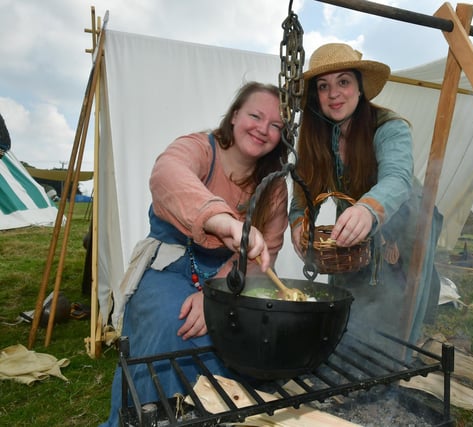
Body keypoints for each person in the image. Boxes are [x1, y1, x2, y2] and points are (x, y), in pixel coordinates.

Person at [100, 81, 289, 426]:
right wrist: (219, 220)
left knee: (246, 334)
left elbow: (268, 249)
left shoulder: (274, 185)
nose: (263, 129)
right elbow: (167, 175)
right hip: (171, 266)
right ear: (234, 116)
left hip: (228, 281)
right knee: (177, 325)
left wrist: (214, 295)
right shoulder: (201, 148)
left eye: (276, 125)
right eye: (255, 116)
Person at [289, 43, 442, 346]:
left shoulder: (389, 127)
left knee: (397, 298)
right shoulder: (316, 138)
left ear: (359, 88)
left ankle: (392, 364)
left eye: (343, 81)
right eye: (323, 86)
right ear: (315, 96)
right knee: (348, 291)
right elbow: (302, 199)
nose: (334, 94)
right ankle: (346, 350)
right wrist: (298, 224)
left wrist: (367, 209)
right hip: (359, 221)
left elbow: (397, 178)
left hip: (408, 223)